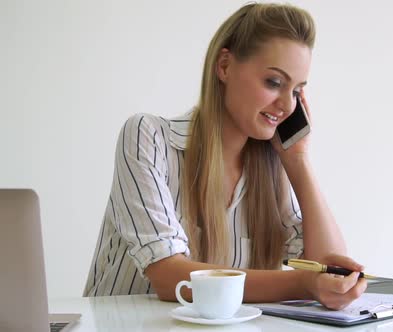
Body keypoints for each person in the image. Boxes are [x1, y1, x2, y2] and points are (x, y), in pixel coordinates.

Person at [83, 2, 367, 310]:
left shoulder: (275, 166)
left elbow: (330, 272)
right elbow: (168, 277)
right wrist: (304, 285)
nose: (287, 105)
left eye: (297, 91)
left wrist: (299, 162)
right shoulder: (148, 137)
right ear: (225, 66)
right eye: (274, 83)